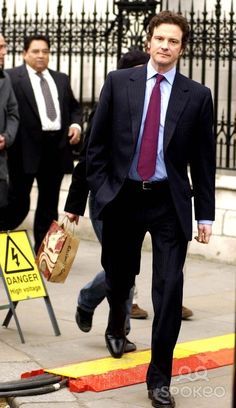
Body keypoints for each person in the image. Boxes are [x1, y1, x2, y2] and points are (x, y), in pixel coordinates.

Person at [86, 10, 215, 408]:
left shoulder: (197, 95)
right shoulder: (118, 82)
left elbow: (204, 160)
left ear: (181, 48)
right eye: (160, 39)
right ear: (149, 42)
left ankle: (159, 378)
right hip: (124, 198)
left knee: (168, 290)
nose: (165, 46)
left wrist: (205, 215)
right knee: (119, 277)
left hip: (168, 203)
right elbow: (96, 146)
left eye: (173, 41)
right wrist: (104, 190)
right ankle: (115, 322)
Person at [65, 50, 151, 354]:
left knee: (125, 264)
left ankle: (116, 326)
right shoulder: (110, 105)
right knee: (119, 264)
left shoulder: (155, 105)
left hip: (138, 198)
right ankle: (99, 311)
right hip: (106, 199)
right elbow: (88, 158)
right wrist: (74, 206)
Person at [2, 34, 81, 252]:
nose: (40, 56)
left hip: (55, 149)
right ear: (24, 54)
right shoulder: (11, 78)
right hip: (23, 149)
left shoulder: (61, 79)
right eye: (35, 51)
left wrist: (76, 126)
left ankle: (42, 253)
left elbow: (74, 108)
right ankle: (3, 242)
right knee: (17, 203)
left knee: (48, 205)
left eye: (45, 51)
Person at [0, 34, 19, 225]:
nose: (4, 52)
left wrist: (7, 137)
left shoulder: (5, 79)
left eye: (4, 47)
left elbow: (14, 113)